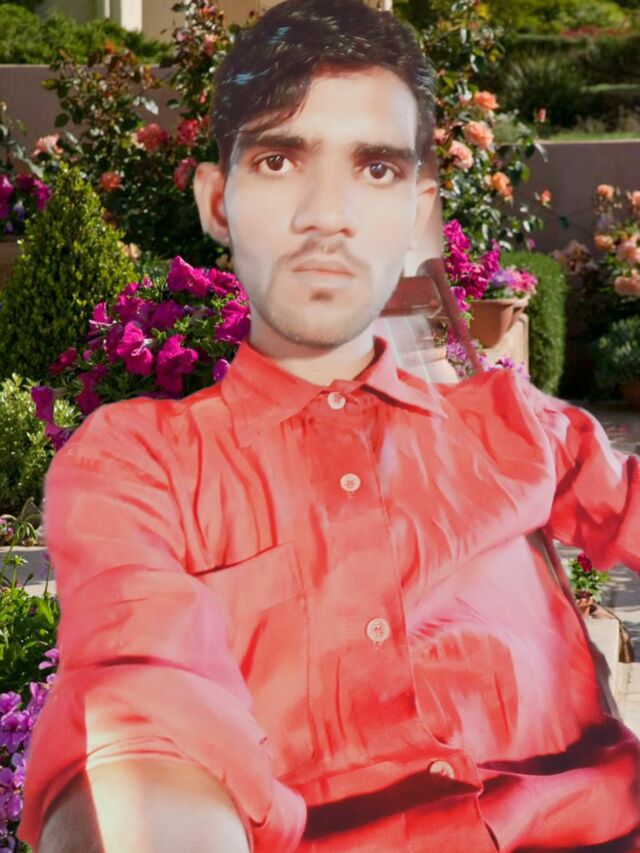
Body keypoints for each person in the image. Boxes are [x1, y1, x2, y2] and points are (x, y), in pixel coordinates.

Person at [18, 0, 640, 851]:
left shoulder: (513, 427)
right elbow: (141, 699)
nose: (327, 214)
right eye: (279, 160)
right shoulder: (142, 464)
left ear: (418, 208)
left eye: (375, 169)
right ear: (217, 201)